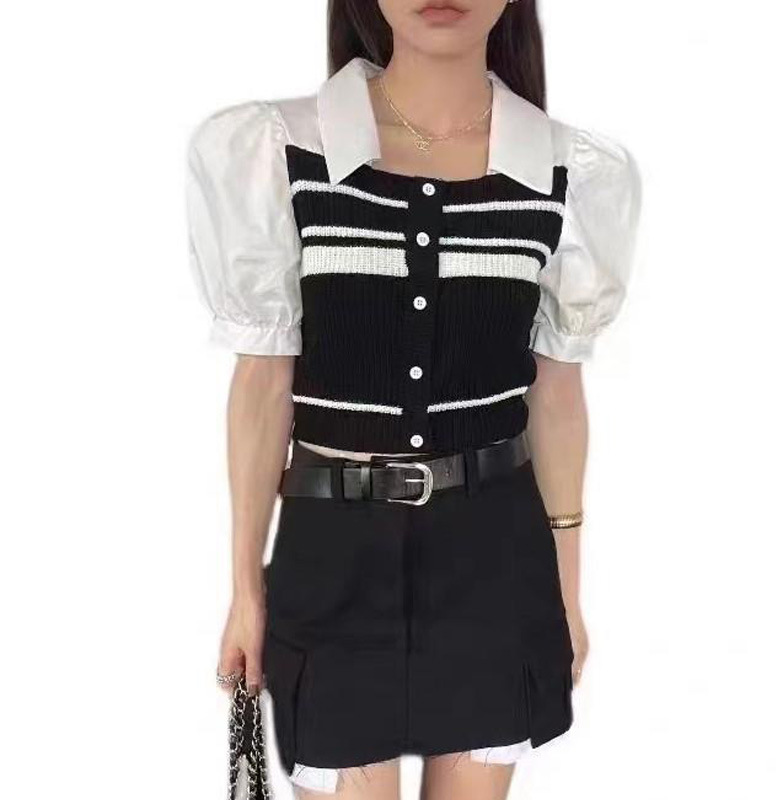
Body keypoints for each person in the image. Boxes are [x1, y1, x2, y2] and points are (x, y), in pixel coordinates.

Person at [185, 1, 642, 797]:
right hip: (331, 560)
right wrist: (245, 590)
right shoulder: (279, 149)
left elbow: (557, 393)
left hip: (495, 562)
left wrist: (566, 593)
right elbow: (263, 383)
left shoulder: (569, 173)